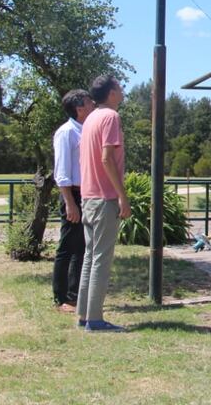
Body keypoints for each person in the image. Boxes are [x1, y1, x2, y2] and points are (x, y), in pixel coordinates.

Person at [76, 75, 131, 332]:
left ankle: (84, 315)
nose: (122, 90)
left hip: (88, 197)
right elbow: (107, 158)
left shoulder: (90, 119)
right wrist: (122, 195)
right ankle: (95, 320)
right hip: (104, 197)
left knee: (90, 256)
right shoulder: (110, 117)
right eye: (119, 87)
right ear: (111, 93)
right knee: (101, 258)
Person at [51, 89, 95, 312]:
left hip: (86, 193)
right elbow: (61, 172)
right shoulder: (66, 132)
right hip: (73, 194)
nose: (93, 104)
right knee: (68, 247)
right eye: (89, 102)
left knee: (82, 247)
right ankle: (61, 298)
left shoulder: (87, 130)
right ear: (79, 109)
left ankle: (75, 295)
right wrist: (69, 202)